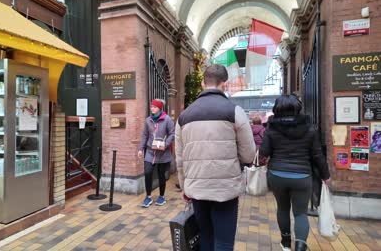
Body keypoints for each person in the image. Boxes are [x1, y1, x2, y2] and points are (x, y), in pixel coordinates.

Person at [175, 64, 256, 251]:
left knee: (205, 237)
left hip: (197, 189)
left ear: (203, 83)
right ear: (225, 84)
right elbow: (249, 154)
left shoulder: (184, 116)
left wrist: (185, 186)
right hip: (225, 190)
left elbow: (180, 158)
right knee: (224, 242)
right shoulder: (235, 111)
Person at [259, 95, 330, 251]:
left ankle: (285, 243)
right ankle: (300, 246)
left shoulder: (271, 128)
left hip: (277, 175)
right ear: (298, 108)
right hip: (302, 176)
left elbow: (264, 152)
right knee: (300, 213)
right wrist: (326, 176)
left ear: (277, 109)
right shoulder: (310, 128)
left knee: (282, 208)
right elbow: (317, 155)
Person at [138, 99, 175, 207]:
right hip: (150, 152)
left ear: (159, 108)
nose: (152, 108)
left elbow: (172, 134)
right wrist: (141, 149)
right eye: (151, 106)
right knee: (148, 173)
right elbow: (145, 135)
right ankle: (148, 197)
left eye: (154, 107)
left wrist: (165, 144)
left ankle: (161, 196)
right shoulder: (148, 120)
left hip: (163, 153)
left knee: (161, 175)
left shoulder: (167, 119)